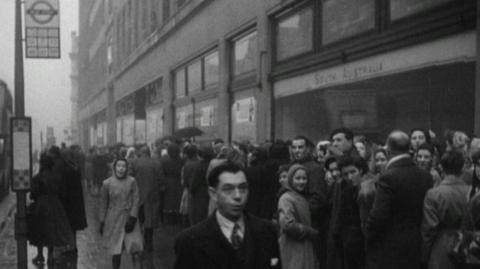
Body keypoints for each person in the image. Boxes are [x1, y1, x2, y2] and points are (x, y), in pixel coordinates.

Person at [174, 162, 281, 269]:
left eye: (243, 188)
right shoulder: (190, 241)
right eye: (228, 189)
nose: (238, 196)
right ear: (213, 194)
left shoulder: (267, 231)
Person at [365, 130, 433, 269]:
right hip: (417, 243)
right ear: (409, 148)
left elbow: (378, 215)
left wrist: (369, 236)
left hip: (391, 246)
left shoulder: (388, 177)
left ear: (388, 149)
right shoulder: (426, 176)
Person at [422, 150, 469, 269]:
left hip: (441, 247)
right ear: (463, 168)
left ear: (441, 167)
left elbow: (429, 230)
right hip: (467, 246)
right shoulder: (472, 192)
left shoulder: (434, 194)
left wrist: (423, 257)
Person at [28, 153, 75, 266]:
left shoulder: (37, 178)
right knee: (52, 231)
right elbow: (63, 193)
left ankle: (40, 255)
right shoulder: (58, 177)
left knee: (40, 230)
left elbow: (32, 194)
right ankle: (50, 255)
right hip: (55, 205)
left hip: (41, 205)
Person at [290, 135, 328, 267]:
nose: (297, 150)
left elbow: (318, 199)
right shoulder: (294, 166)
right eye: (294, 147)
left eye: (300, 147)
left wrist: (299, 213)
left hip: (310, 224)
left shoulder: (315, 169)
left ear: (308, 149)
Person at [99, 158, 142, 269]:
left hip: (130, 219)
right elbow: (103, 203)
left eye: (124, 166)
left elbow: (136, 200)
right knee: (116, 251)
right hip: (114, 220)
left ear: (127, 168)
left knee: (135, 249)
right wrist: (102, 221)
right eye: (119, 166)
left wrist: (133, 217)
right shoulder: (107, 183)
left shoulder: (132, 181)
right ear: (114, 168)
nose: (121, 169)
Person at [48, 145, 87, 257]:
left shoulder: (64, 169)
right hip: (75, 202)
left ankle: (68, 247)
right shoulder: (74, 167)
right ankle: (73, 246)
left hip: (67, 203)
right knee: (73, 226)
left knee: (66, 225)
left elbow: (62, 188)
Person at [278, 164, 318, 269]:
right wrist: (309, 231)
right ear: (291, 179)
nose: (301, 182)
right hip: (293, 248)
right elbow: (288, 225)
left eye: (304, 178)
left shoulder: (301, 197)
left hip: (305, 247)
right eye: (298, 178)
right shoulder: (286, 199)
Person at [128, 145, 164, 251]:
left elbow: (130, 178)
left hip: (138, 196)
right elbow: (161, 179)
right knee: (150, 219)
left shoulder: (135, 163)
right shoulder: (156, 163)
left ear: (141, 153)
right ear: (149, 153)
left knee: (139, 218)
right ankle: (149, 242)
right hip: (152, 196)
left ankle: (139, 240)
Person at [337, 155, 369, 269]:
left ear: (360, 170)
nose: (350, 177)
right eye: (345, 174)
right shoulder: (346, 193)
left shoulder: (371, 189)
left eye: (353, 172)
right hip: (352, 246)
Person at [188, 145, 215, 225]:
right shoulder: (214, 164)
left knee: (200, 215)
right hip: (211, 192)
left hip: (200, 193)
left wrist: (192, 190)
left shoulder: (199, 166)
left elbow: (194, 182)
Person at [161, 143, 184, 224]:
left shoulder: (164, 161)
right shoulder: (181, 160)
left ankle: (169, 219)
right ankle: (178, 217)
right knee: (178, 199)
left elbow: (162, 172)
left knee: (169, 200)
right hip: (178, 181)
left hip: (168, 182)